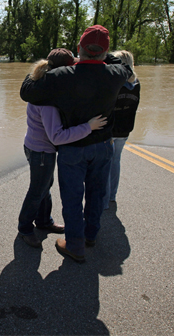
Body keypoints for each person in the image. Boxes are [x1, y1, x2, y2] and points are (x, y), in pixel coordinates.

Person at [20, 25, 134, 262]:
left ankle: (75, 245)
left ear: (79, 48)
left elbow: (27, 91)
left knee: (72, 197)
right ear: (105, 52)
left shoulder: (60, 77)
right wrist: (102, 55)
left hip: (72, 149)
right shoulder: (116, 74)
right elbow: (125, 65)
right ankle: (90, 235)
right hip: (103, 146)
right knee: (96, 192)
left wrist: (72, 60)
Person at [19, 48, 107, 248]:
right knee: (37, 190)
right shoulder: (48, 101)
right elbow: (57, 137)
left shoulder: (41, 85)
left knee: (44, 187)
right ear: (63, 72)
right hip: (41, 152)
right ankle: (25, 228)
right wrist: (89, 127)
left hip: (34, 146)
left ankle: (43, 222)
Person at [104, 50, 140, 210]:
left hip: (110, 129)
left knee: (105, 163)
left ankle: (103, 200)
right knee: (116, 161)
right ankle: (112, 196)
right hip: (125, 129)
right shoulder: (136, 84)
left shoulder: (114, 82)